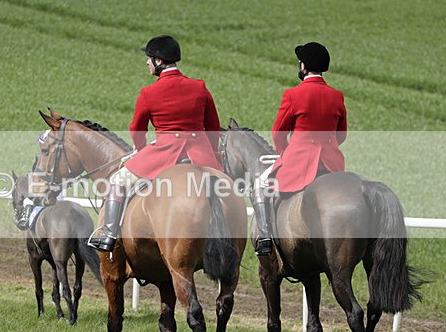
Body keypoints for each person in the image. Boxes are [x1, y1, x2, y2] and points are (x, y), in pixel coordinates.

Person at [88, 35, 223, 252]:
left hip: (165, 153)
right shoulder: (199, 87)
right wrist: (212, 153)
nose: (146, 62)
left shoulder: (149, 93)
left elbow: (137, 130)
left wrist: (140, 150)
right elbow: (213, 128)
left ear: (158, 61)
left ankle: (109, 234)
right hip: (200, 154)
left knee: (119, 179)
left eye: (149, 58)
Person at [253, 42, 347, 255]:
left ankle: (265, 238)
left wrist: (287, 153)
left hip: (299, 161)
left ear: (303, 66)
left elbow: (278, 133)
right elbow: (341, 135)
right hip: (330, 163)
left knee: (260, 185)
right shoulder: (336, 95)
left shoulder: (293, 95)